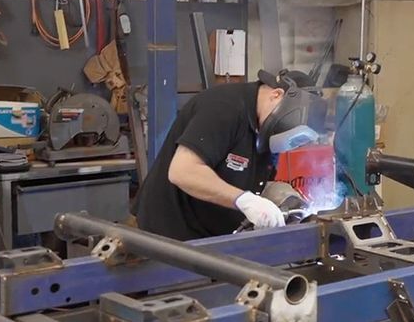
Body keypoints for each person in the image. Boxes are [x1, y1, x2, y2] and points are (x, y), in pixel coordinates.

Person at [134, 70, 326, 241]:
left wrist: (280, 198)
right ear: (276, 95)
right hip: (169, 237)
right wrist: (245, 201)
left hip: (214, 239)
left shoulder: (266, 128)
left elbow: (244, 177)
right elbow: (182, 171)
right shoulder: (224, 108)